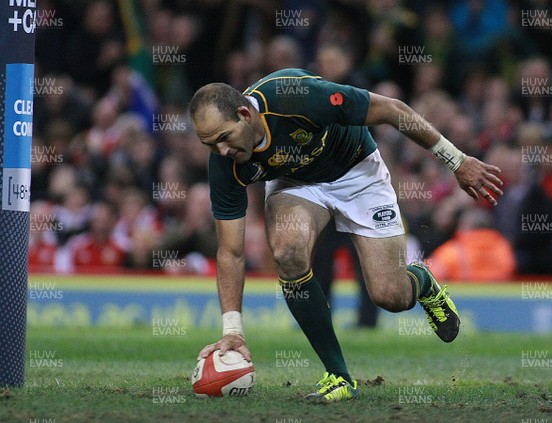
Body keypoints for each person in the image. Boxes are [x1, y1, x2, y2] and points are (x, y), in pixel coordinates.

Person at [191, 68, 503, 401]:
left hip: (357, 172)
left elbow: (393, 110)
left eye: (224, 137)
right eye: (210, 145)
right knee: (286, 251)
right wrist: (233, 331)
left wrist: (456, 161)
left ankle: (422, 282)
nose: (221, 151)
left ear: (244, 114)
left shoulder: (296, 97)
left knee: (390, 295)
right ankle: (337, 375)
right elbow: (230, 252)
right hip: (296, 185)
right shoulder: (225, 164)